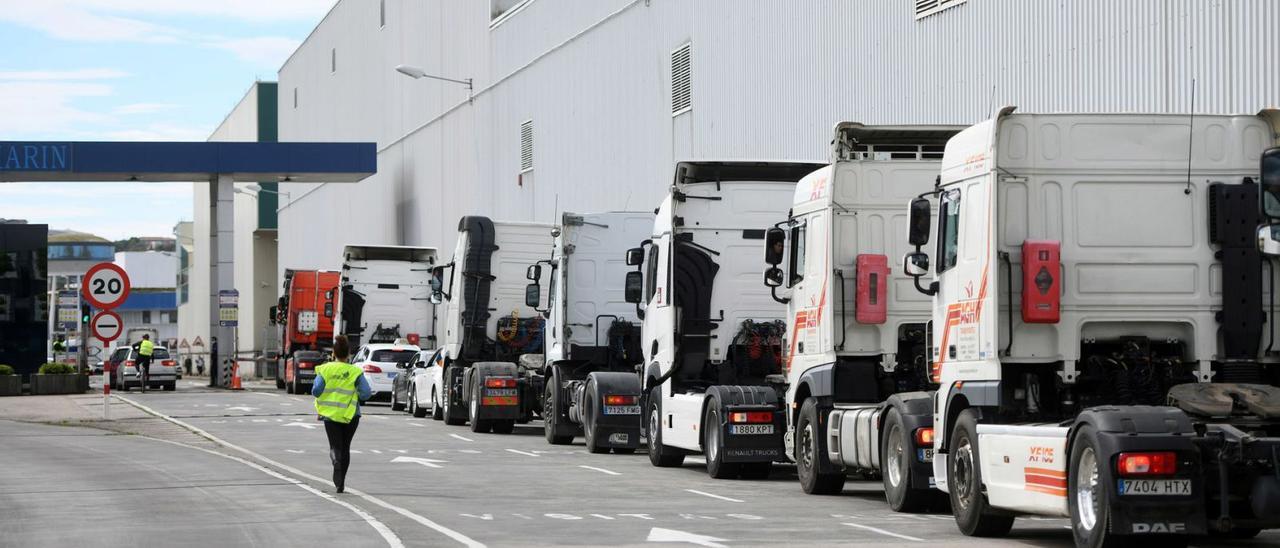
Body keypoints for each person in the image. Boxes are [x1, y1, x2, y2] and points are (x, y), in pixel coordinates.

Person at [311, 335, 370, 493]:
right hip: (351, 415)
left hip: (330, 415)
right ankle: (341, 482)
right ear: (349, 353)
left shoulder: (325, 369)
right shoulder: (355, 371)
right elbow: (366, 393)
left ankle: (335, 461)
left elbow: (316, 391)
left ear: (334, 353)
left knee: (335, 446)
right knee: (346, 447)